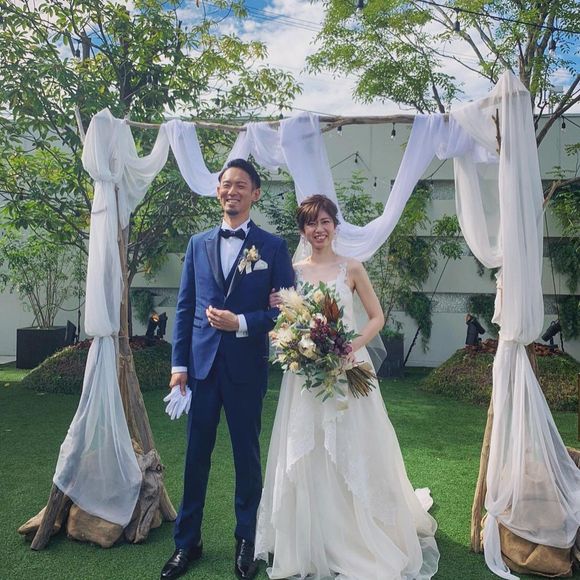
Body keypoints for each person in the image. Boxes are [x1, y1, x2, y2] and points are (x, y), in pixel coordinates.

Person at [255, 195, 439, 580]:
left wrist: (348, 347)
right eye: (311, 223)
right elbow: (285, 320)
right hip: (306, 377)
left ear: (335, 226)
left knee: (356, 446)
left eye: (325, 222)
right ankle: (315, 537)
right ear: (303, 230)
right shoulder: (293, 272)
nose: (318, 229)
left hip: (348, 368)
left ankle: (359, 532)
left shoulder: (352, 267)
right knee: (309, 450)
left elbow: (376, 317)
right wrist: (284, 319)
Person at [161, 159, 295, 580]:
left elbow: (287, 310)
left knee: (246, 458)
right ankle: (187, 543)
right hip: (201, 369)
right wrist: (179, 365)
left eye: (240, 185)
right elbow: (185, 307)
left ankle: (246, 540)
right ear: (218, 191)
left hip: (245, 369)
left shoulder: (272, 247)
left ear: (256, 193)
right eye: (225, 184)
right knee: (195, 457)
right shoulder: (197, 243)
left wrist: (241, 322)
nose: (231, 191)